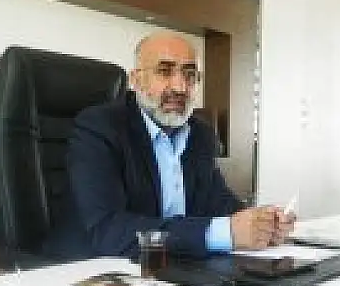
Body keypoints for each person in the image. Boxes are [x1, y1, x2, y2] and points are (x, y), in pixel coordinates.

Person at [47, 32, 295, 259]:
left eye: (189, 74)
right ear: (136, 80)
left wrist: (263, 224)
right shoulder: (99, 127)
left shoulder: (200, 134)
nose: (179, 87)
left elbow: (222, 206)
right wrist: (222, 232)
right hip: (87, 269)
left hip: (169, 265)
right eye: (164, 71)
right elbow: (108, 229)